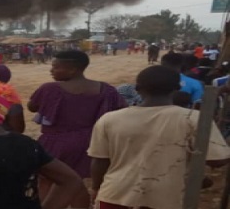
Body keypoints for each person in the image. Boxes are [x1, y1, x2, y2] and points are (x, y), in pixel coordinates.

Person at [88, 65, 230, 209]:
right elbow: (217, 160)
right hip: (166, 198)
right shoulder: (193, 119)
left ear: (137, 89)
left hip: (115, 195)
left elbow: (99, 161)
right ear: (177, 88)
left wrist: (95, 188)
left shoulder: (109, 119)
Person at [28, 50, 127, 208]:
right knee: (77, 181)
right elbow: (120, 110)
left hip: (55, 141)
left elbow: (32, 107)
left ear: (73, 69)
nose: (51, 70)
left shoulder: (50, 89)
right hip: (89, 142)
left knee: (47, 179)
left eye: (56, 67)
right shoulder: (106, 90)